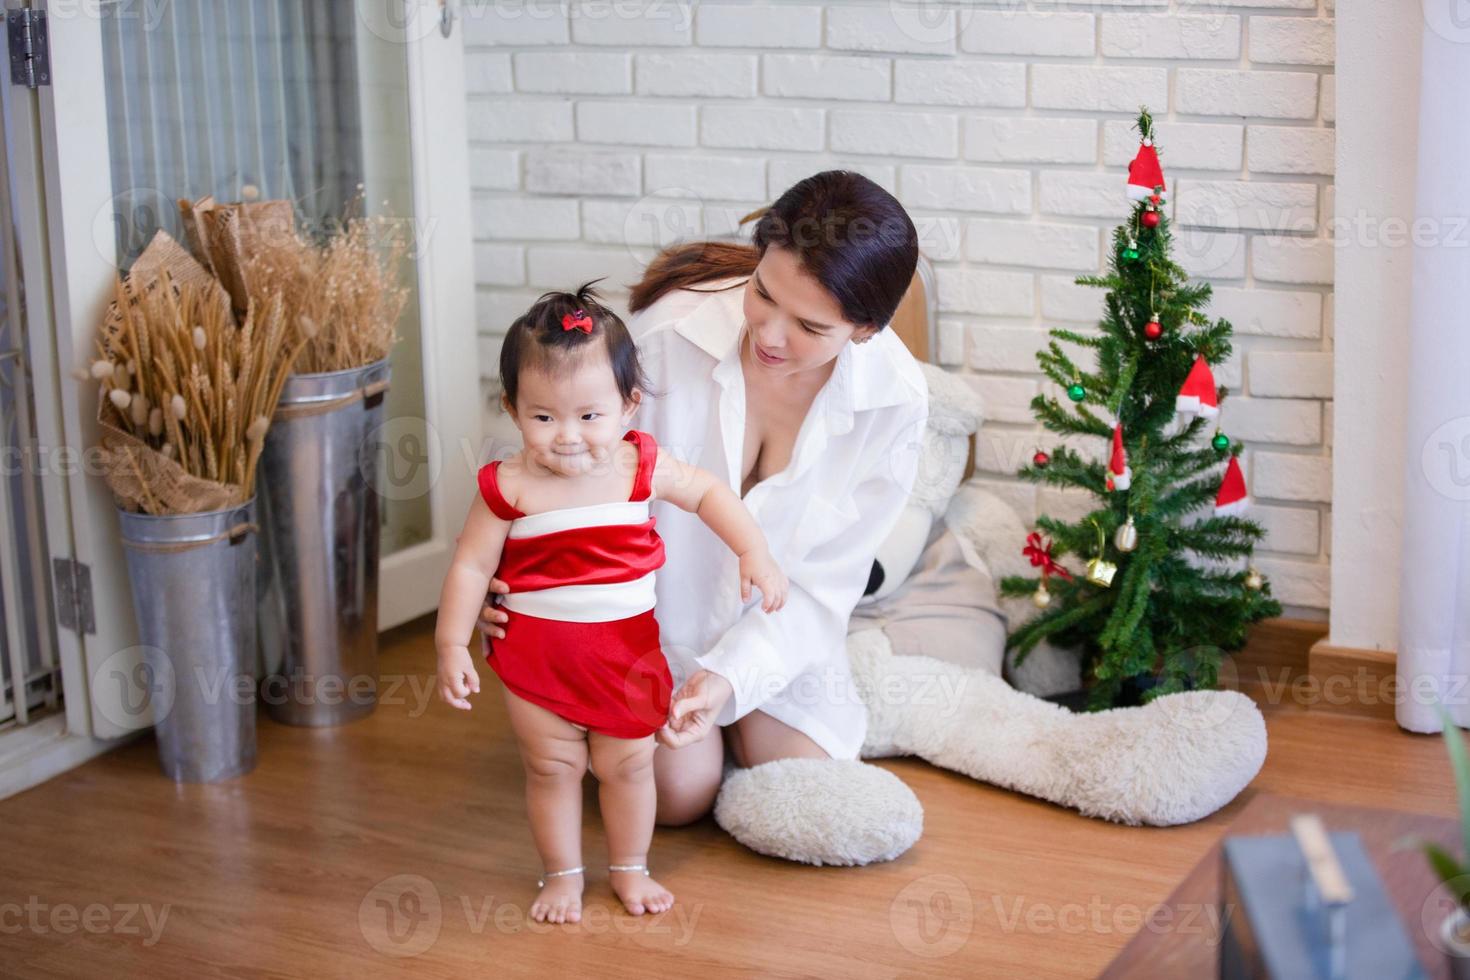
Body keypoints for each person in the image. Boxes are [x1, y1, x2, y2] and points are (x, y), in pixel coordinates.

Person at [480, 172, 930, 845]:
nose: (771, 335)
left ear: (864, 328)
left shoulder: (895, 402)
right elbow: (568, 463)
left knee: (804, 774)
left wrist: (729, 677)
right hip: (647, 624)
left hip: (777, 624)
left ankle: (729, 718)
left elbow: (823, 587)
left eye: (809, 326)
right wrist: (520, 575)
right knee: (677, 796)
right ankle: (687, 747)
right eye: (763, 294)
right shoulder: (666, 338)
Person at [435, 283, 787, 923]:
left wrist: (753, 552)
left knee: (629, 767)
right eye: (544, 418)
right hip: (537, 661)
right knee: (551, 767)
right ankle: (562, 875)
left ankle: (630, 869)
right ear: (513, 409)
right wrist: (452, 642)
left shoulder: (638, 467)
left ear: (628, 407)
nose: (568, 437)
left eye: (589, 417)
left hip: (627, 657)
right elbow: (471, 564)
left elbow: (709, 493)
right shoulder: (507, 484)